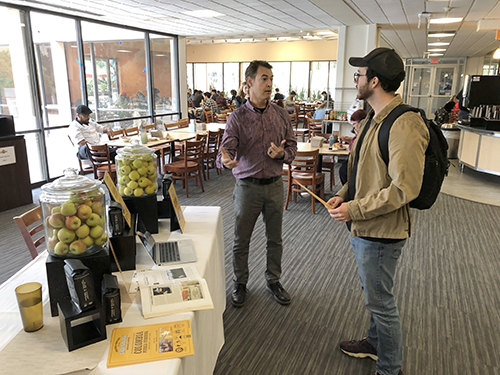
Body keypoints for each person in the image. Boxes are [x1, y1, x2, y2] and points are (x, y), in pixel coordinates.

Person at [327, 47, 429, 375]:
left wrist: (355, 208)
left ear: (374, 81)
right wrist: (344, 195)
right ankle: (374, 344)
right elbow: (362, 172)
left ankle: (390, 368)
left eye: (359, 75)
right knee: (374, 295)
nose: (354, 80)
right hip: (364, 225)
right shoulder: (374, 117)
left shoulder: (404, 124)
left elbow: (405, 188)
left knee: (381, 304)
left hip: (381, 232)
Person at [216, 60, 297, 308]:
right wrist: (225, 160)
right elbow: (225, 152)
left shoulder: (281, 115)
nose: (269, 84)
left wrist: (281, 155)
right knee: (241, 239)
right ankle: (240, 283)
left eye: (271, 78)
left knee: (276, 239)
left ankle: (274, 280)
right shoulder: (237, 118)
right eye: (264, 78)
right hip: (247, 187)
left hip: (274, 185)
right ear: (249, 83)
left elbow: (292, 147)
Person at [338, 109, 367, 185]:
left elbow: (358, 146)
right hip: (355, 159)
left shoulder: (364, 134)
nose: (353, 126)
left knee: (343, 170)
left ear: (361, 123)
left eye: (354, 123)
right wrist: (347, 139)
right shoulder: (362, 132)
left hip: (358, 162)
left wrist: (358, 135)